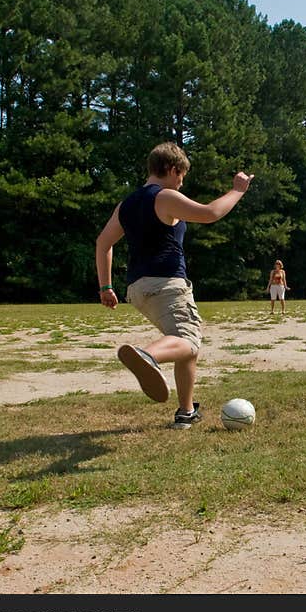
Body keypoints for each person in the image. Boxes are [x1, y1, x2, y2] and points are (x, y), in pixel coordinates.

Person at [95, 142, 254, 429]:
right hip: (167, 284)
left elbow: (103, 243)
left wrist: (105, 286)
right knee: (189, 340)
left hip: (137, 290)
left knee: (183, 343)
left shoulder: (127, 204)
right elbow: (210, 213)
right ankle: (148, 355)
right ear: (171, 169)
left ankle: (185, 412)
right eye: (181, 176)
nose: (182, 183)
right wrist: (238, 191)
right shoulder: (164, 197)